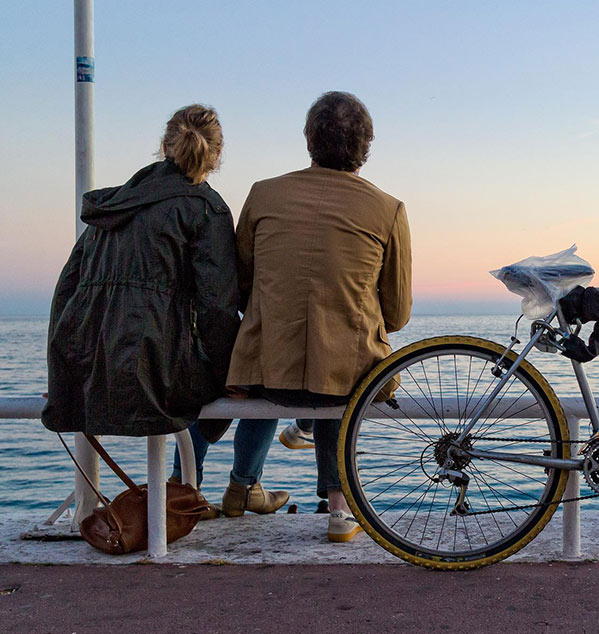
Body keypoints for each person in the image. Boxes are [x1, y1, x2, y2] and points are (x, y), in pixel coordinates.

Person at [225, 91, 412, 541]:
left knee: (282, 360)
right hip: (342, 380)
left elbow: (241, 282)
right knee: (340, 372)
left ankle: (237, 487)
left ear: (308, 139)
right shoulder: (388, 209)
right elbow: (398, 313)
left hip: (263, 373)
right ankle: (339, 511)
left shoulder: (263, 193)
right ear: (366, 146)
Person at [43, 105, 240, 472]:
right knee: (254, 386)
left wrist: (61, 374)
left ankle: (183, 487)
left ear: (164, 146)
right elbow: (218, 309)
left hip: (87, 367)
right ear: (216, 155)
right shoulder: (206, 209)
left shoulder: (114, 205)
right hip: (154, 372)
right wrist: (233, 375)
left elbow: (66, 290)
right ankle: (198, 486)